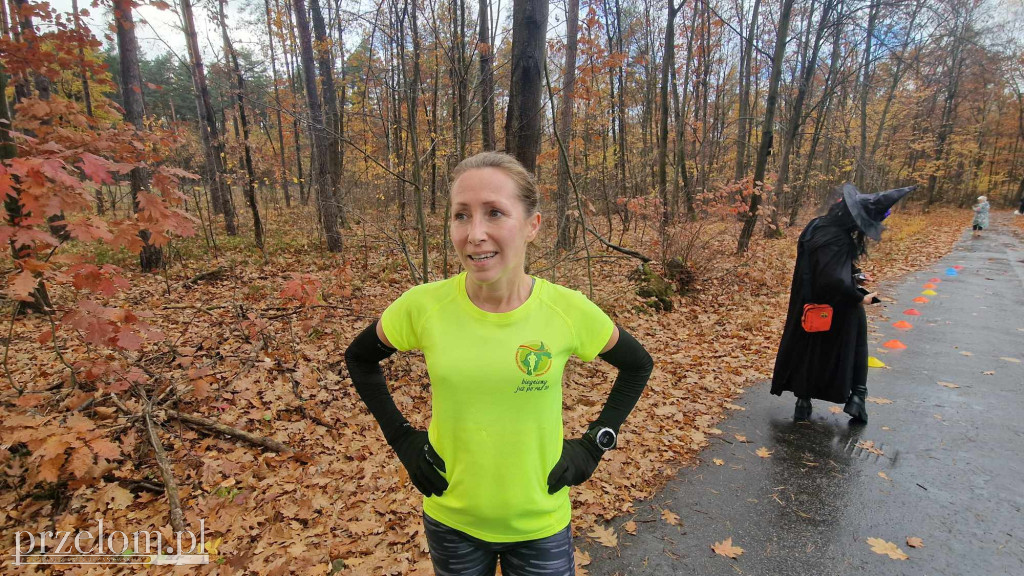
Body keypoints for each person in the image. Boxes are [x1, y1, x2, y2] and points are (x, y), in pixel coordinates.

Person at [344, 151, 654, 576]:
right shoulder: (423, 307)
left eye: (494, 213)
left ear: (532, 225)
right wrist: (402, 440)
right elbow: (359, 358)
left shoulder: (567, 310)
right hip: (452, 520)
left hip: (539, 523)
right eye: (461, 215)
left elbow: (637, 365)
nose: (475, 234)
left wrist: (596, 443)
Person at [771, 183, 915, 423]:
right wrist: (861, 296)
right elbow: (833, 278)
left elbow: (823, 266)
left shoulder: (817, 226)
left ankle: (803, 402)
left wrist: (855, 274)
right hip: (836, 307)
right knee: (856, 346)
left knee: (810, 350)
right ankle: (857, 399)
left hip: (809, 304)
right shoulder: (837, 238)